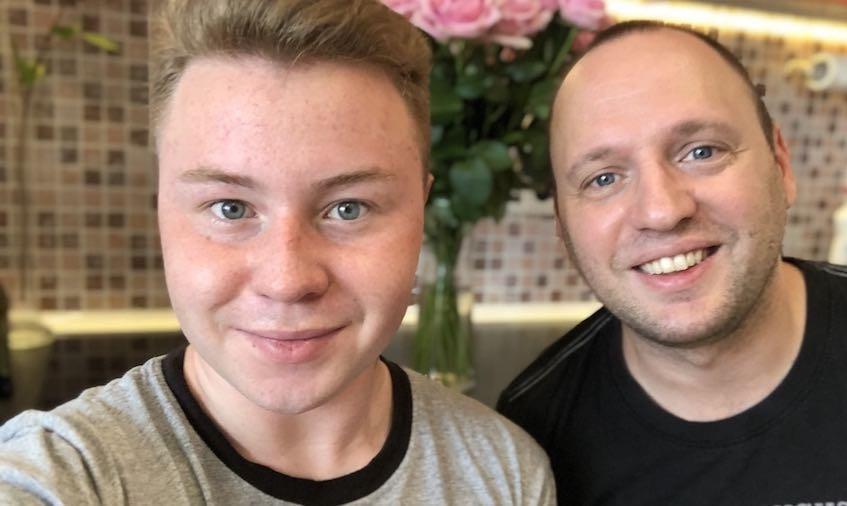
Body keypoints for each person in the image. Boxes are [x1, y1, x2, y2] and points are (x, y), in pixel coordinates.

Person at [0, 0, 555, 504]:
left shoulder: (504, 473)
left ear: (421, 211)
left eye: (349, 208)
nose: (287, 280)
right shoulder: (66, 475)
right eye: (230, 208)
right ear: (161, 209)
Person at [498, 20, 847, 505]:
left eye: (701, 152)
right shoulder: (526, 447)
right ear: (562, 225)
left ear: (781, 165)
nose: (662, 211)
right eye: (603, 179)